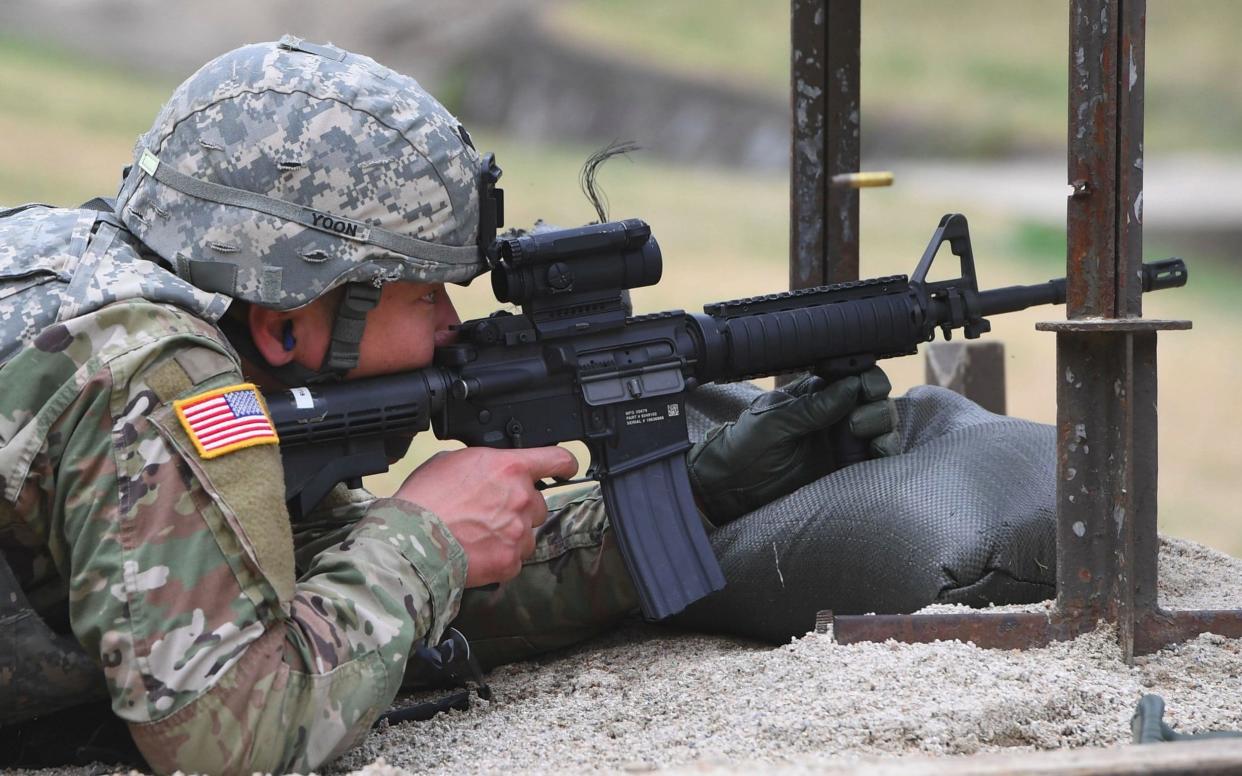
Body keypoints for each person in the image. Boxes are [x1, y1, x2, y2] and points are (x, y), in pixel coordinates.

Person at [0, 37, 895, 774]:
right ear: (284, 324)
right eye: (423, 292)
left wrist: (702, 492)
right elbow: (229, 737)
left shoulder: (99, 275)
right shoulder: (155, 376)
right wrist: (423, 538)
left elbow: (330, 595)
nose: (450, 323)